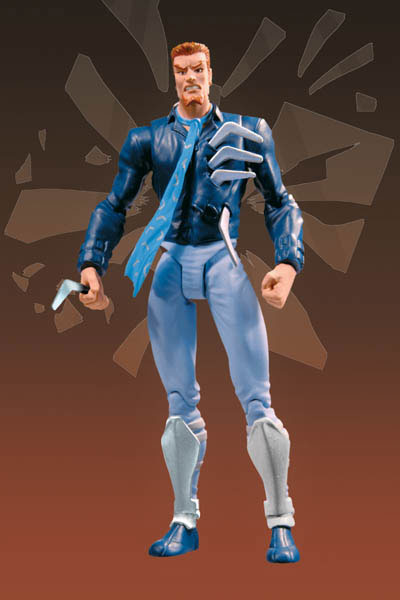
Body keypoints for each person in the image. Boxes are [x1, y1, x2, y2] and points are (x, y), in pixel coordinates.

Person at [77, 41, 304, 563]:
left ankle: (281, 520)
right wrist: (91, 263)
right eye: (181, 71)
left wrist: (288, 262)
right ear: (173, 77)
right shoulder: (148, 140)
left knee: (257, 399)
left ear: (211, 71)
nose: (190, 78)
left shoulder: (246, 132)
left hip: (223, 260)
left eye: (198, 68)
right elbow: (114, 205)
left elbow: (279, 202)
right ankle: (184, 517)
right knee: (179, 404)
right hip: (173, 263)